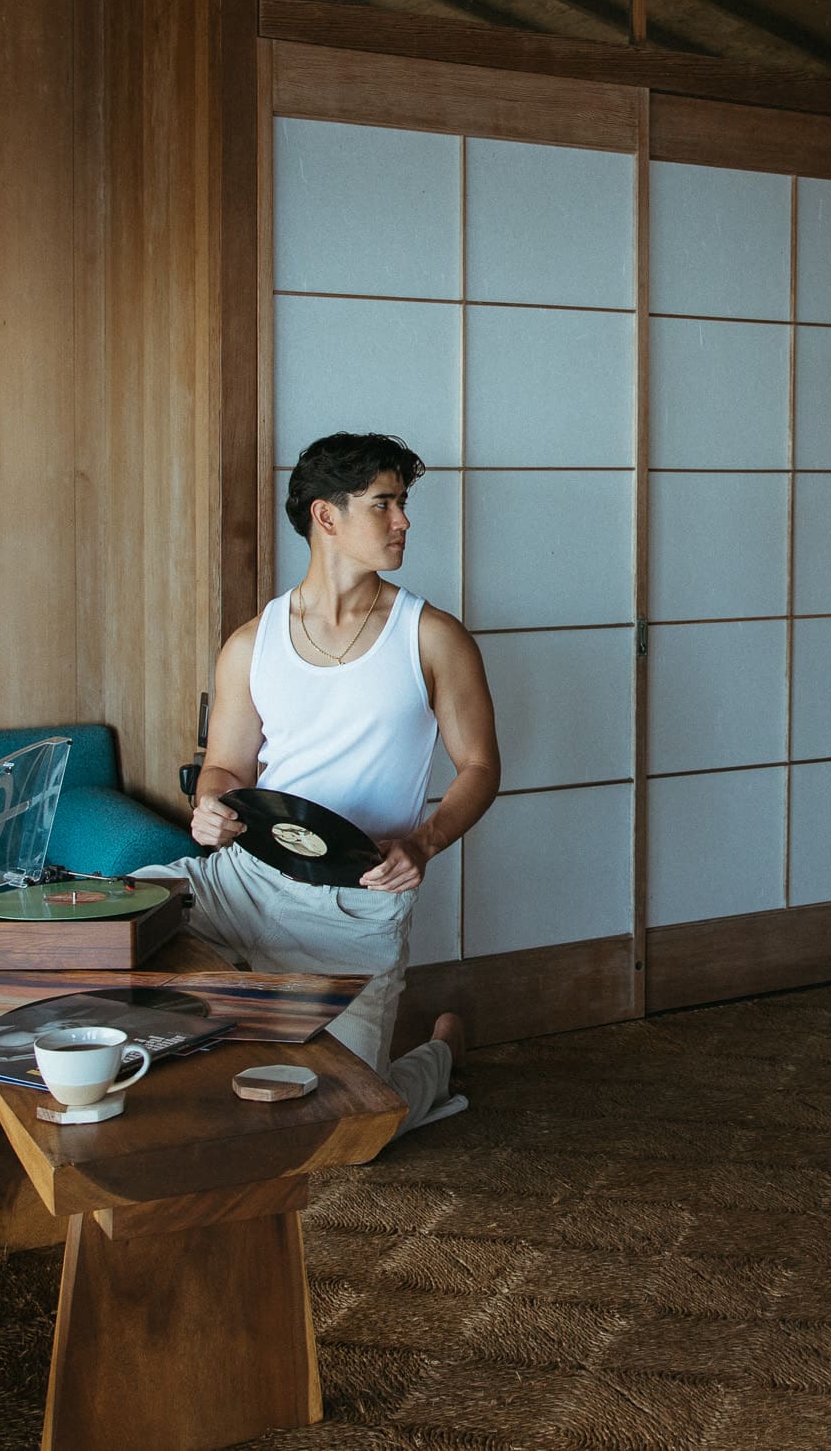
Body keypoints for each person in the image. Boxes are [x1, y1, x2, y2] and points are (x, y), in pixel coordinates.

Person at [137, 431, 500, 1137]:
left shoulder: (432, 637)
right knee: (105, 933)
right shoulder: (252, 642)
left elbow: (481, 767)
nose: (404, 521)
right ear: (325, 517)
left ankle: (441, 1054)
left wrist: (422, 843)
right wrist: (208, 806)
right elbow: (228, 767)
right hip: (240, 884)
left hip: (354, 909)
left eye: (403, 503)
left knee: (348, 1128)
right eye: (384, 504)